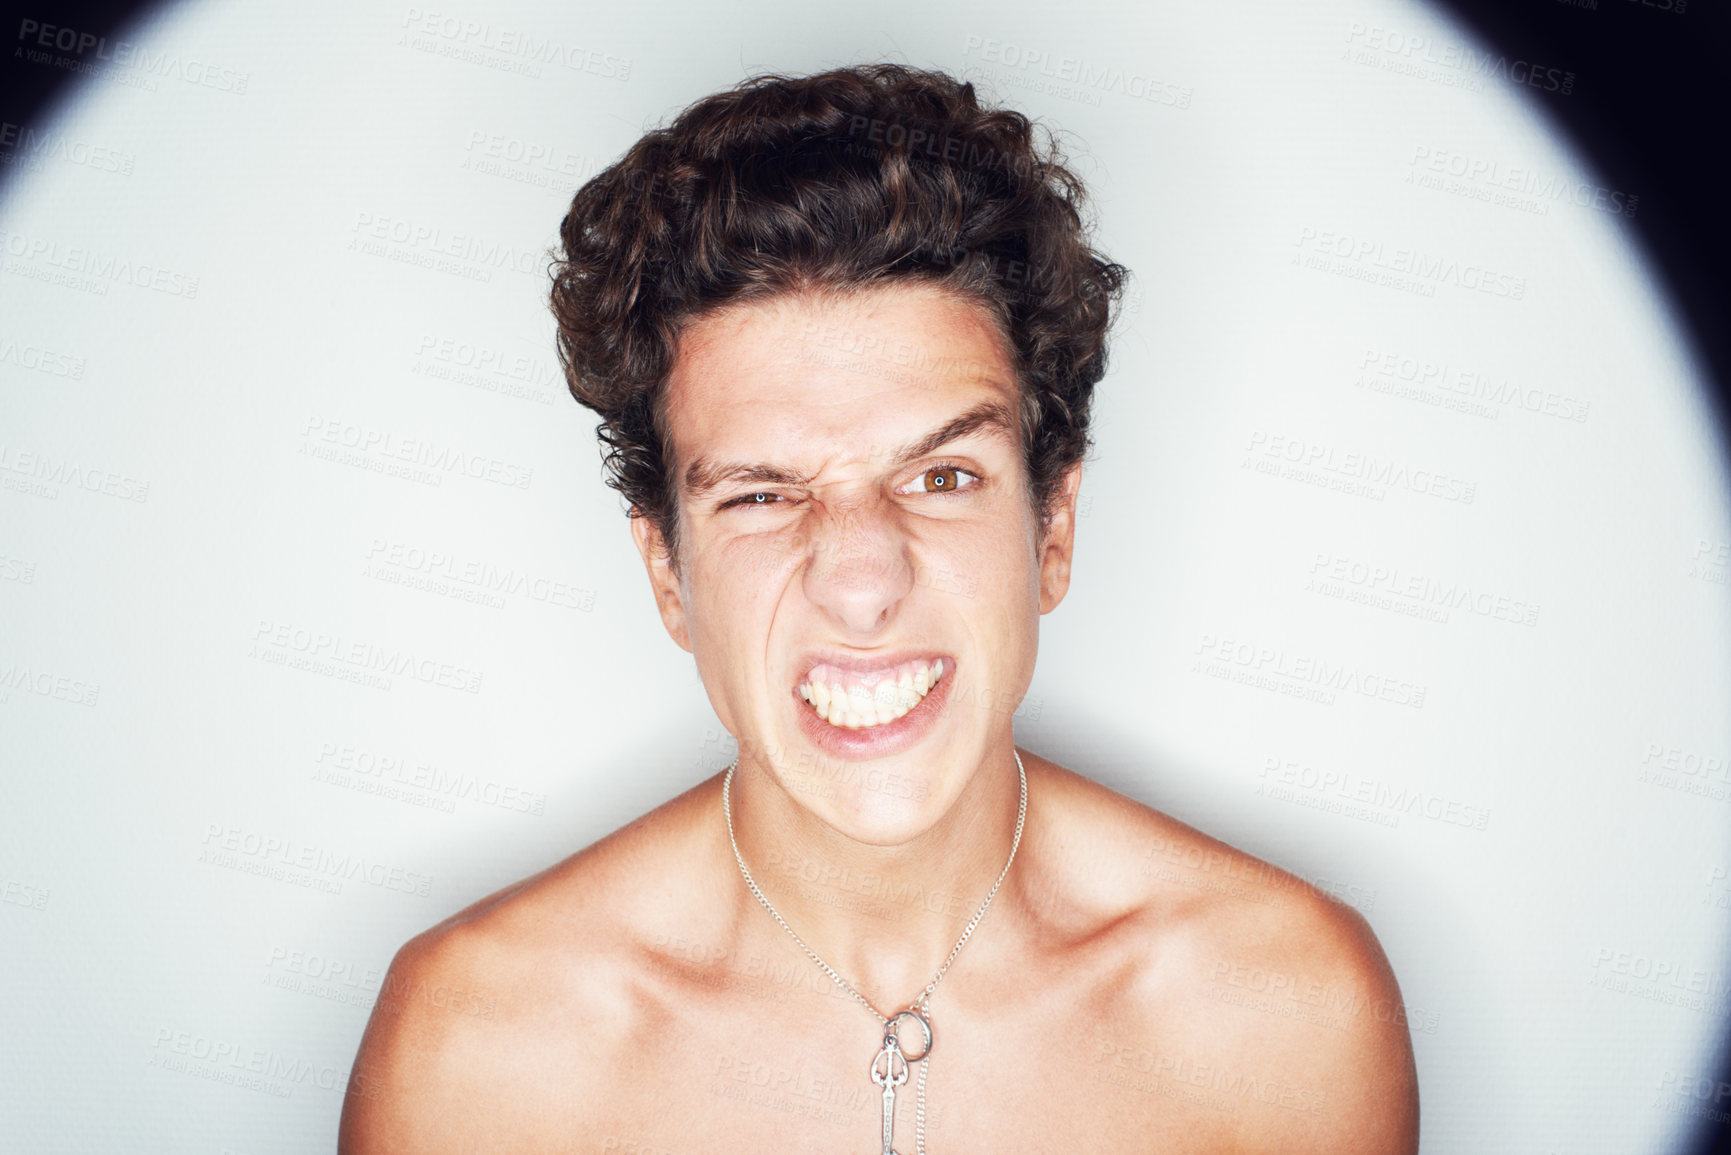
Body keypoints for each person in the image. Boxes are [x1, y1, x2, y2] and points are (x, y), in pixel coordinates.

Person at [339, 64, 1419, 1153]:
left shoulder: (1286, 1010)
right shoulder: (478, 1051)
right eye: (762, 495)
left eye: (941, 477)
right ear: (669, 576)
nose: (861, 583)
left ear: (1053, 532)